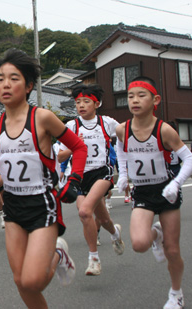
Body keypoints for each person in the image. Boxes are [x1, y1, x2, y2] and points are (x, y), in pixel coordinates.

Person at [0, 48, 87, 308]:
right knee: (20, 281)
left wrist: (74, 181)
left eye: (14, 78)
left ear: (28, 86)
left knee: (33, 281)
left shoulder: (42, 118)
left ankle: (58, 253)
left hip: (43, 205)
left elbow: (79, 147)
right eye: (0, 78)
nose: (6, 84)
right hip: (13, 205)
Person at [116, 76, 192, 309]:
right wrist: (123, 174)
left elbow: (188, 158)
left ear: (155, 99)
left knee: (172, 249)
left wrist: (176, 183)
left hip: (166, 190)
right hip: (142, 192)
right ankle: (155, 235)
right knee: (139, 243)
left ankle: (176, 294)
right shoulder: (122, 129)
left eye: (141, 95)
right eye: (130, 96)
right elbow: (120, 150)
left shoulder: (165, 130)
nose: (135, 101)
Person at [58, 84, 125, 276]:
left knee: (85, 211)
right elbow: (60, 157)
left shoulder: (107, 122)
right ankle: (115, 234)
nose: (81, 105)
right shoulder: (71, 127)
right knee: (101, 218)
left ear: (97, 104)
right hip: (78, 175)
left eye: (86, 101)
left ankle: (93, 259)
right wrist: (74, 146)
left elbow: (126, 136)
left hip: (101, 173)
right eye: (78, 102)